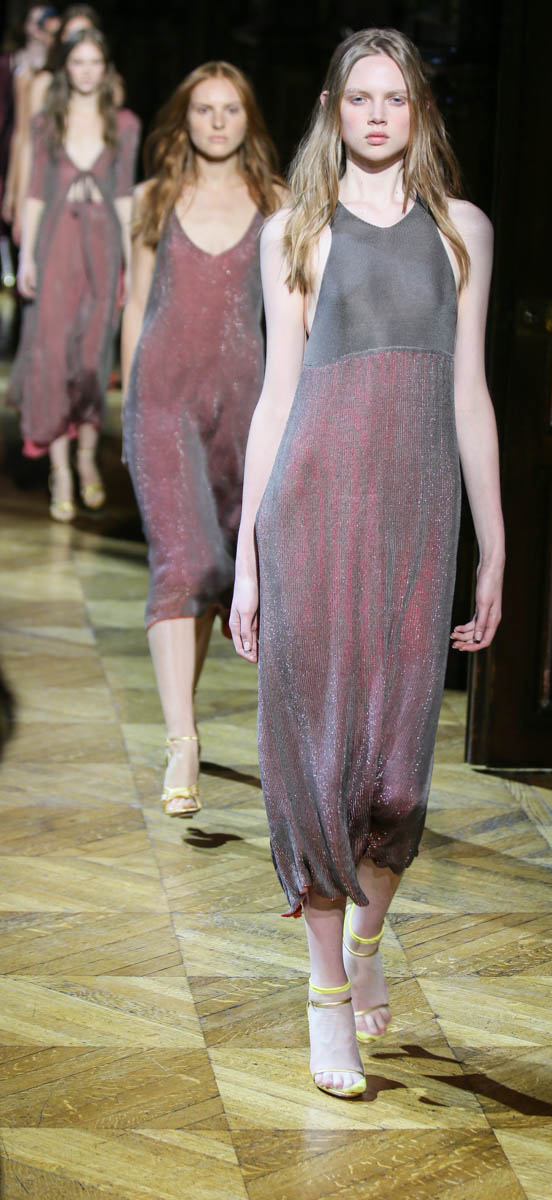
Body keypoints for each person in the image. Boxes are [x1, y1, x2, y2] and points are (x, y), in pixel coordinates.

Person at [230, 27, 504, 1100]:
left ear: (418, 110)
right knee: (318, 760)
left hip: (415, 522)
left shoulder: (461, 233)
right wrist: (250, 557)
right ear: (332, 110)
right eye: (359, 98)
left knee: (395, 774)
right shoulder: (294, 231)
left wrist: (494, 545)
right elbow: (275, 399)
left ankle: (366, 938)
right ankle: (326, 998)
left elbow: (470, 395)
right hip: (311, 515)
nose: (377, 115)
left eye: (395, 98)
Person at [121, 63, 284, 817]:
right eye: (203, 109)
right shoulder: (152, 199)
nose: (217, 122)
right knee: (182, 562)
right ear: (182, 119)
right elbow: (136, 307)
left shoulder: (277, 202)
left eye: (230, 109)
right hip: (162, 401)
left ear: (248, 119)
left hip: (245, 410)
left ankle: (187, 728)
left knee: (220, 569)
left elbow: (296, 315)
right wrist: (128, 412)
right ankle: (182, 742)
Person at [7, 27, 139, 521]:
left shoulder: (123, 125)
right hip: (56, 247)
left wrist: (131, 263)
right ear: (66, 67)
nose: (86, 71)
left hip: (102, 251)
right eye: (78, 62)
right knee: (53, 357)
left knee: (91, 359)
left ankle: (86, 458)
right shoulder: (48, 121)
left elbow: (124, 197)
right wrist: (26, 257)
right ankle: (61, 469)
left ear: (106, 69)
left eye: (94, 62)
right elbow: (36, 194)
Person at [5, 6, 103, 245]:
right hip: (49, 195)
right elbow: (26, 141)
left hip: (94, 200)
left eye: (85, 33)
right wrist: (16, 197)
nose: (79, 41)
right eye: (72, 35)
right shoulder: (42, 85)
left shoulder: (109, 89)